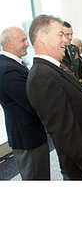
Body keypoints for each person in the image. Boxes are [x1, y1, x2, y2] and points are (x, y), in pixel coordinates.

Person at [26, 15, 82, 180]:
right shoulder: (41, 77)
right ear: (42, 37)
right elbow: (66, 133)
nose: (67, 41)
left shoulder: (53, 68)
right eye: (60, 35)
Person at [0, 27, 50, 180]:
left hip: (29, 134)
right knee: (36, 178)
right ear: (9, 43)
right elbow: (31, 101)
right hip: (28, 138)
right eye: (23, 40)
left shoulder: (10, 64)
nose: (27, 44)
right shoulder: (8, 69)